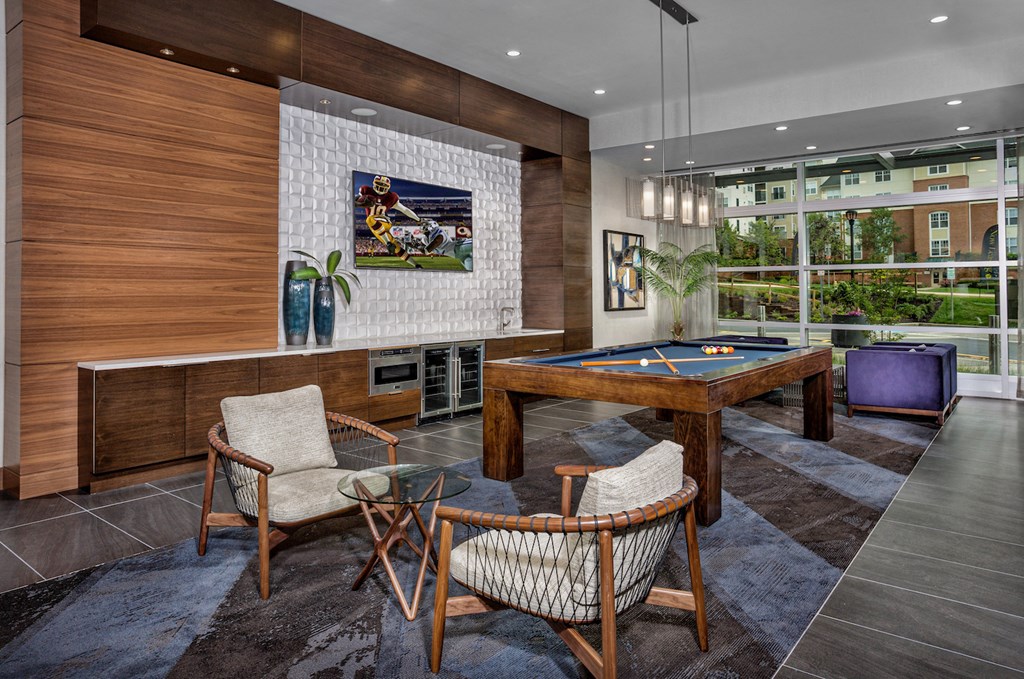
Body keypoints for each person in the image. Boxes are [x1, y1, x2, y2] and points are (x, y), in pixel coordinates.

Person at [356, 175, 424, 268]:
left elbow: (404, 210)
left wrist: (418, 219)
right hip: (376, 227)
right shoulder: (366, 190)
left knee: (369, 219)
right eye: (379, 185)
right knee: (396, 248)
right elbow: (356, 200)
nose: (381, 188)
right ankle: (416, 265)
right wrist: (357, 203)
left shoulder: (391, 197)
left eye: (383, 186)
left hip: (384, 221)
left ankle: (388, 243)